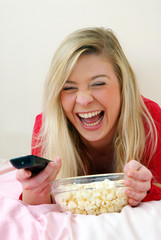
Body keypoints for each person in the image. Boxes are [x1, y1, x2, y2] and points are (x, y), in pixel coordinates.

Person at [16, 27, 161, 206]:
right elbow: (38, 205)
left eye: (98, 83)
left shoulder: (149, 118)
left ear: (123, 86)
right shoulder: (47, 126)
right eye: (68, 87)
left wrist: (145, 190)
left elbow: (157, 187)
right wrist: (34, 191)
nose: (84, 100)